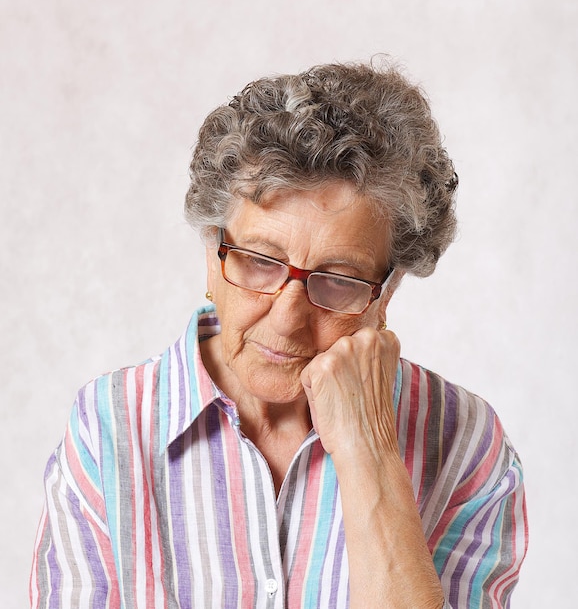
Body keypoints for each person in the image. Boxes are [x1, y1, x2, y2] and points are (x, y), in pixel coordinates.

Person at [30, 60, 528, 608]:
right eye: (260, 260)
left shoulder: (464, 443)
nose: (287, 317)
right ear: (211, 254)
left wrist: (370, 451)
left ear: (387, 292)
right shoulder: (110, 428)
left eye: (337, 280)